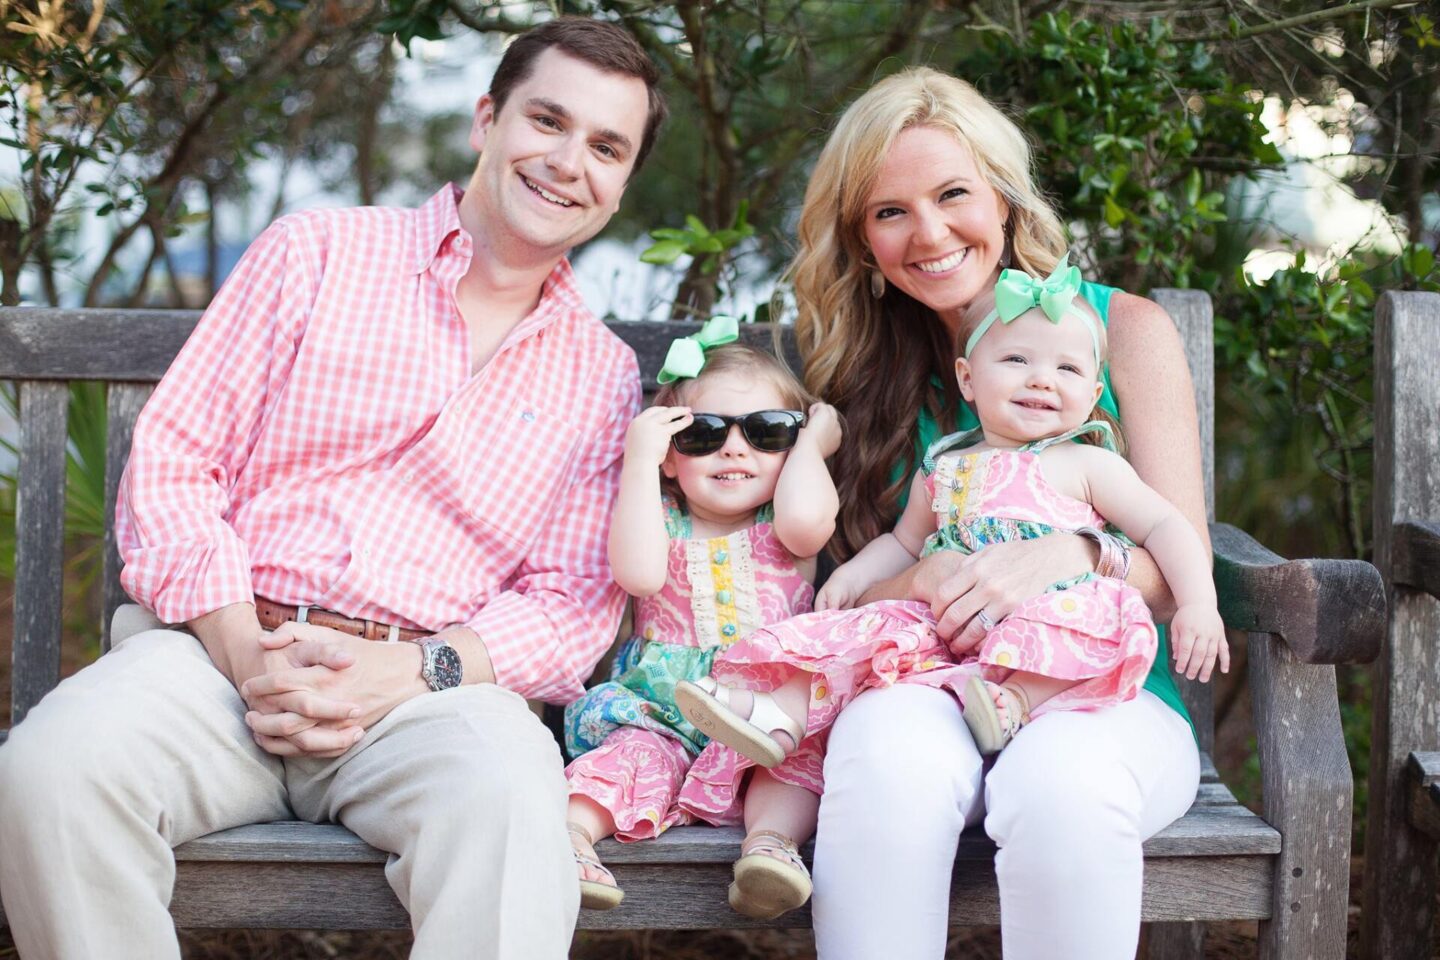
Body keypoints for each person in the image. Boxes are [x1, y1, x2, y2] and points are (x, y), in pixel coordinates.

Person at [0, 18, 666, 960]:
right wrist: (243, 648)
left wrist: (416, 669)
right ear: (487, 120)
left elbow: (568, 607)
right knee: (51, 770)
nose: (567, 162)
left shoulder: (598, 374)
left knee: (517, 810)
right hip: (219, 661)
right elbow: (178, 460)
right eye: (546, 121)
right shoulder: (317, 253)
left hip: (425, 698)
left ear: (624, 181)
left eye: (605, 146)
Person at [787, 67, 1212, 959]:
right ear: (861, 241)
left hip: (1105, 696)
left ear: (1007, 201)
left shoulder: (1119, 332)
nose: (930, 233)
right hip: (932, 680)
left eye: (953, 195)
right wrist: (920, 574)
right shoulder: (861, 367)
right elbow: (853, 590)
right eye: (889, 211)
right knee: (884, 751)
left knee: (1064, 782)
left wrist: (1074, 552)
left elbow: (1175, 571)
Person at [676, 263, 1226, 781]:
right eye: (1016, 361)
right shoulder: (944, 465)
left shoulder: (1088, 463)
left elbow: (1166, 527)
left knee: (1084, 614)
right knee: (874, 632)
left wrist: (1199, 601)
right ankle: (780, 710)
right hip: (950, 628)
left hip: (1045, 609)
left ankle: (1018, 701)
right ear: (967, 378)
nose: (1042, 381)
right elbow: (905, 541)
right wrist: (849, 579)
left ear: (1093, 393)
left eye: (1068, 369)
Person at [562, 333, 842, 921]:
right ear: (670, 454)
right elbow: (638, 575)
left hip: (766, 717)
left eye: (766, 431)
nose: (734, 449)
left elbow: (811, 521)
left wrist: (811, 444)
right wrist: (639, 461)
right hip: (663, 713)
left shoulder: (784, 524)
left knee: (788, 769)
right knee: (629, 758)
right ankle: (570, 840)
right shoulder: (658, 516)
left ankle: (769, 848)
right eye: (703, 434)